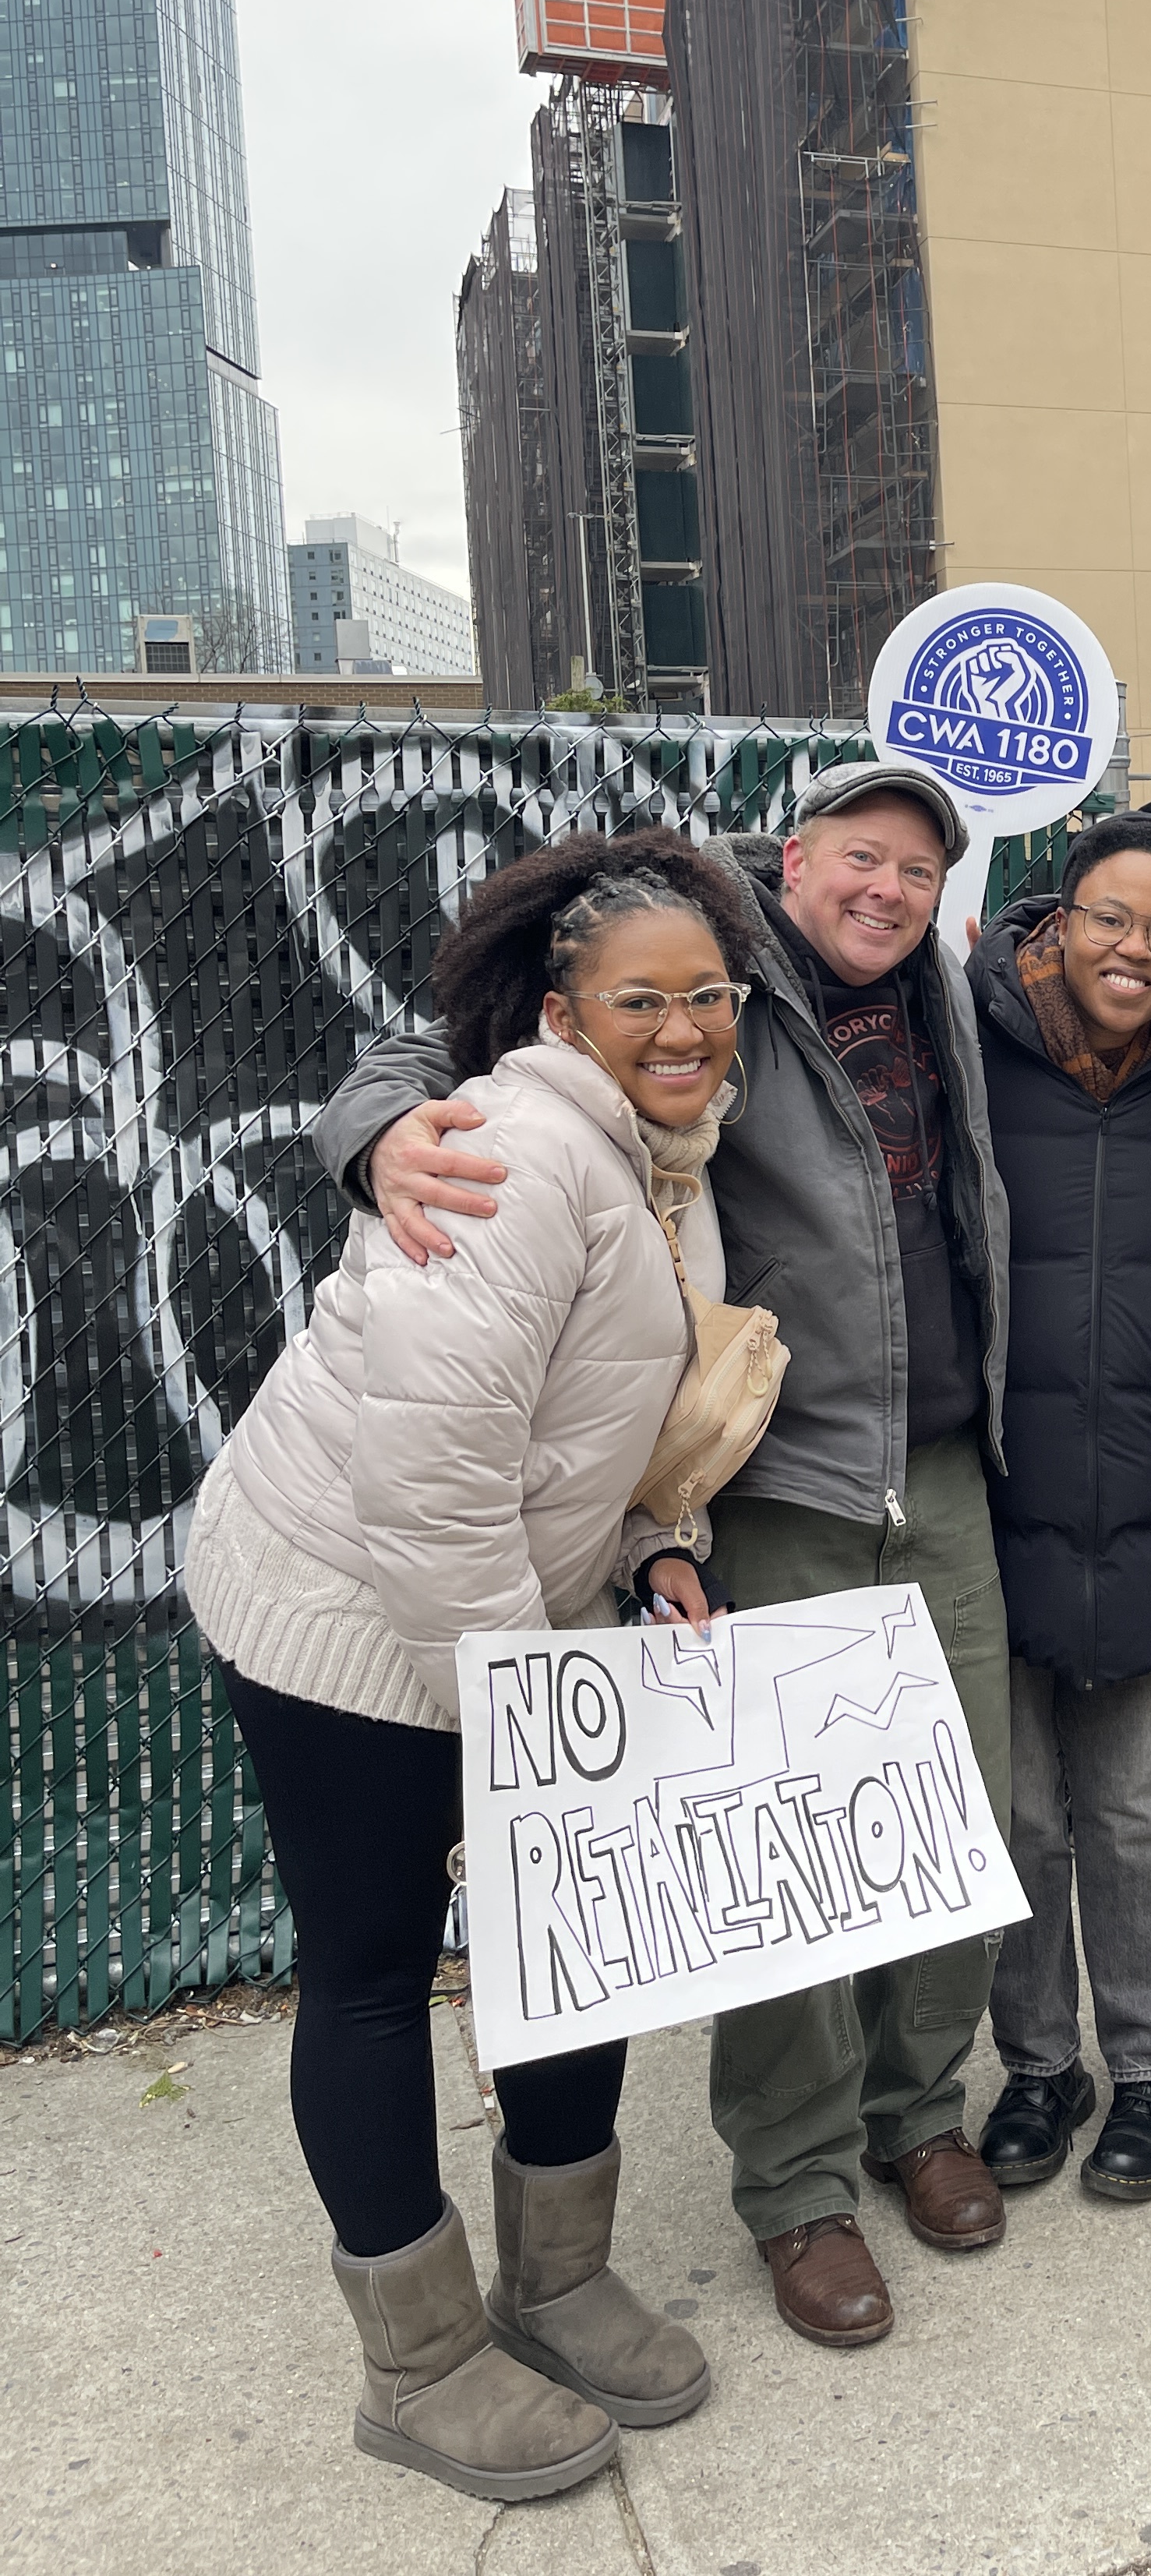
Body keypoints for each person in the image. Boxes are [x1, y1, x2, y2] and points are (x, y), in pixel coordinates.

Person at [312, 764, 1017, 2349]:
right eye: (860, 856)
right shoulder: (703, 969)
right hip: (772, 1476)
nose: (887, 890)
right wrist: (374, 1138)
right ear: (796, 858)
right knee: (792, 1854)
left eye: (917, 869)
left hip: (944, 1468)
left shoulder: (950, 992)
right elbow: (441, 1043)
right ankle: (798, 2182)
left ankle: (920, 2113)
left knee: (947, 1822)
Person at [187, 827, 753, 2500]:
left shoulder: (668, 1156)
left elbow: (613, 1419)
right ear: (562, 1014)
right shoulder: (510, 1155)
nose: (682, 1026)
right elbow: (429, 1484)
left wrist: (655, 1547)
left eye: (708, 992)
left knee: (564, 1947)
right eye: (640, 999)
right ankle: (420, 2361)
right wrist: (529, 1726)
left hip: (509, 1607)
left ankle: (556, 2282)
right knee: (373, 1965)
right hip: (342, 1616)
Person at [966, 810, 1151, 2203]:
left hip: (1145, 1483)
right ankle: (1038, 2062)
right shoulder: (968, 1034)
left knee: (1135, 1806)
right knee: (1016, 1809)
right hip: (991, 1484)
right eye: (1112, 918)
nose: (1136, 949)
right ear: (1057, 919)